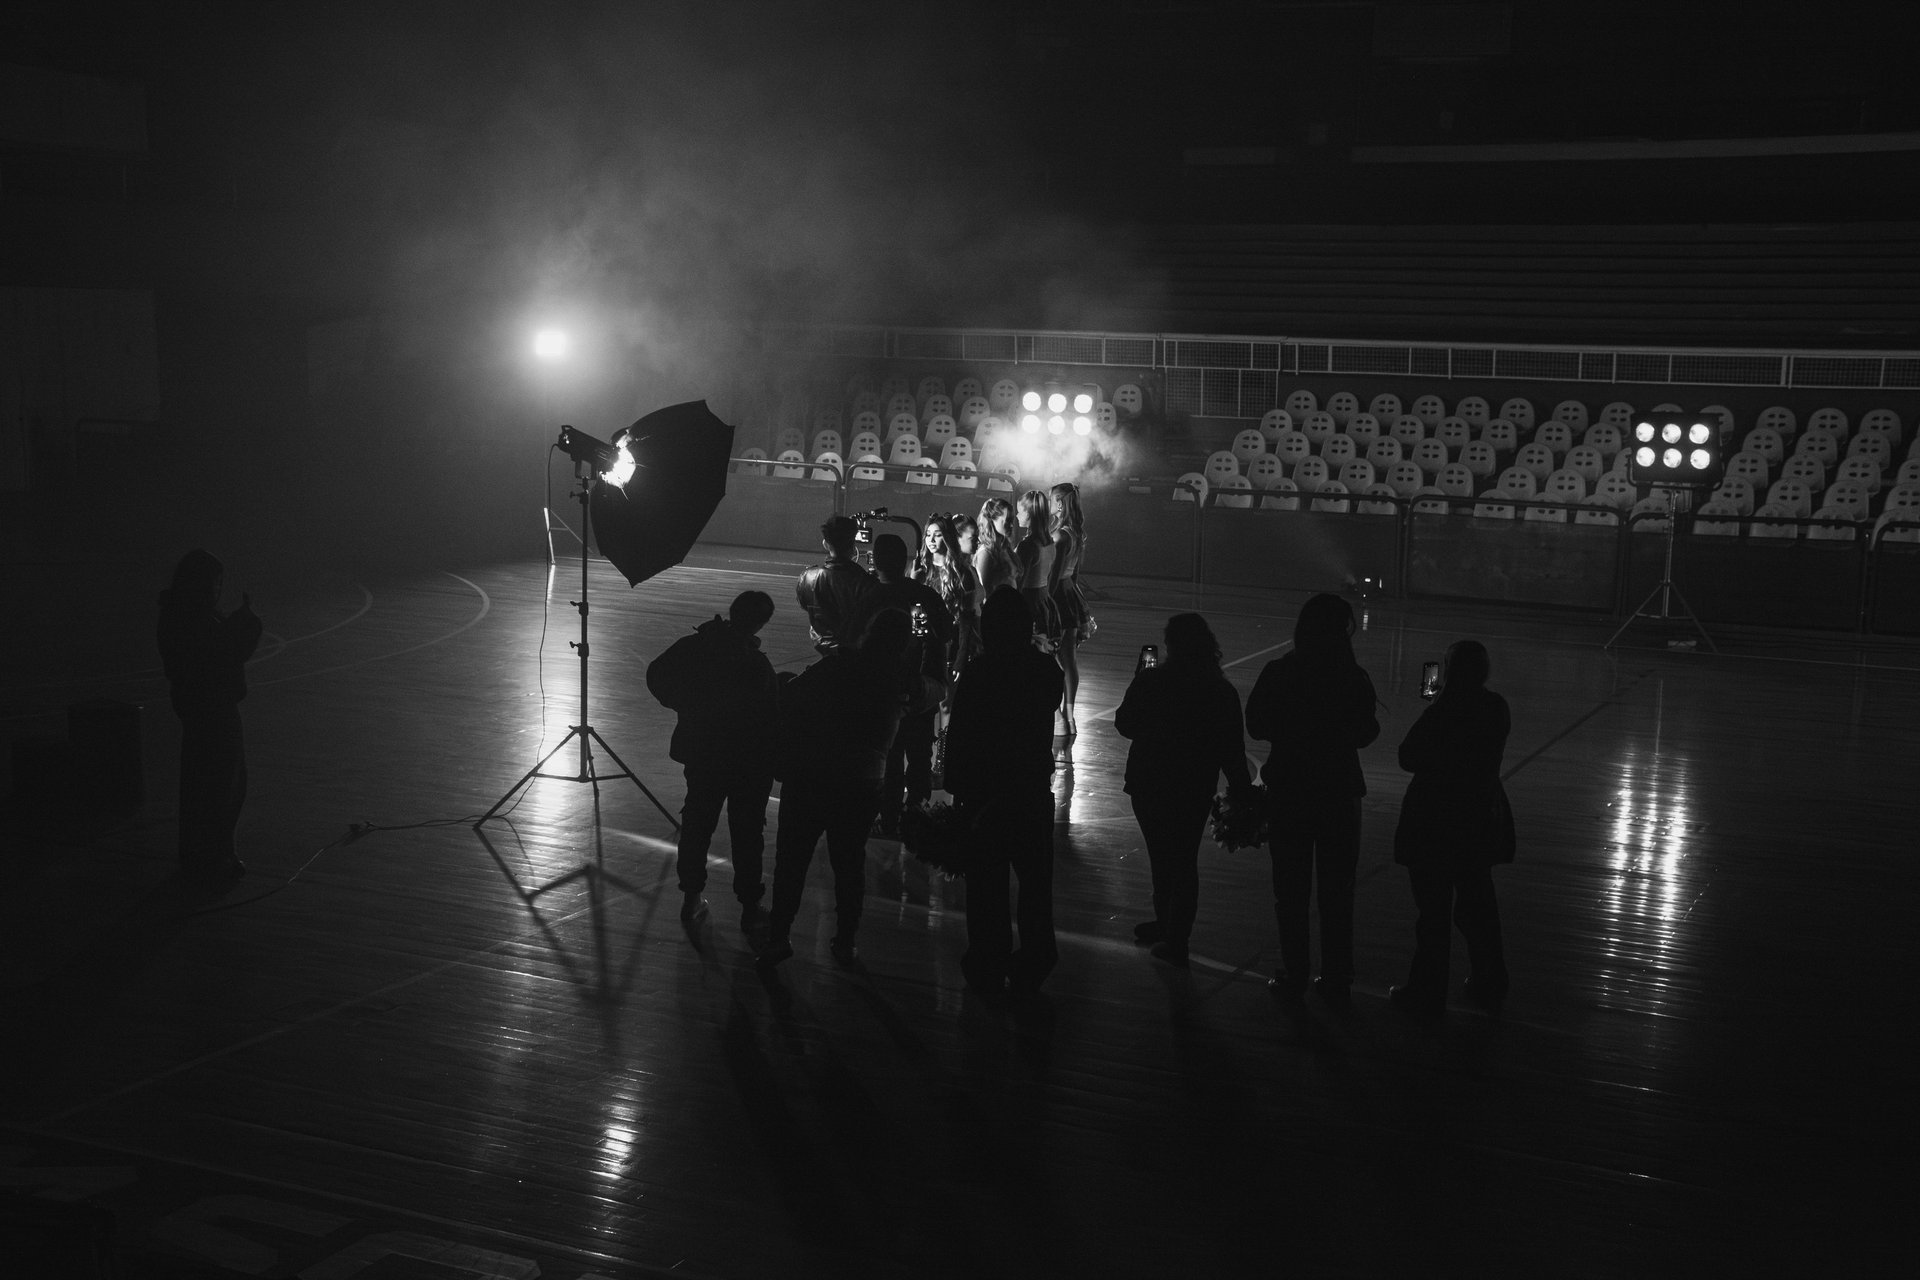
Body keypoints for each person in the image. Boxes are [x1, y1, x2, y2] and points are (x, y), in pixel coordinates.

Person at [761, 608, 942, 967]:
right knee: (849, 864)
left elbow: (791, 697)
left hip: (810, 773)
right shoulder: (899, 682)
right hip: (860, 781)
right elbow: (937, 690)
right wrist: (931, 647)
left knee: (791, 862)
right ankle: (845, 940)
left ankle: (777, 936)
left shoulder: (833, 666)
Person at [1244, 593, 1381, 1009]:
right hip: (1339, 792)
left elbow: (1255, 725)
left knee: (1291, 890)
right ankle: (1337, 976)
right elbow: (1365, 733)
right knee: (1338, 892)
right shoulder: (1352, 677)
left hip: (1290, 790)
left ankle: (1295, 972)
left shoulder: (1280, 671)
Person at [944, 586, 1066, 997]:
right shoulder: (1046, 671)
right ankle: (1037, 957)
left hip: (986, 794)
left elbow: (960, 734)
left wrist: (956, 785)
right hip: (1030, 790)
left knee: (986, 886)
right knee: (1035, 885)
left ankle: (987, 958)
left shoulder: (981, 672)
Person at [1114, 613, 1253, 966]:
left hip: (1149, 781)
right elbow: (1233, 752)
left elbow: (1125, 724)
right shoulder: (1221, 691)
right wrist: (1242, 794)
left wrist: (1139, 682)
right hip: (1193, 785)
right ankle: (1174, 930)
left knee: (1162, 858)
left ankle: (1171, 931)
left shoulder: (1153, 681)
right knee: (1182, 859)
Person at [1389, 640, 1514, 1015]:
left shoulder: (1444, 711)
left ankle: (1428, 989)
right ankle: (1489, 979)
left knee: (1433, 911)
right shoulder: (1496, 708)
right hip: (1477, 820)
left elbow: (1408, 756)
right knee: (1478, 906)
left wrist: (1439, 704)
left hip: (1435, 821)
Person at [645, 590, 780, 929]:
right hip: (747, 762)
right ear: (761, 623)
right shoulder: (755, 664)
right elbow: (768, 716)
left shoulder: (697, 645)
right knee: (747, 833)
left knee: (697, 825)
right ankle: (751, 907)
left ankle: (690, 898)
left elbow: (656, 674)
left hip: (704, 751)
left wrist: (684, 705)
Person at [156, 548, 263, 883]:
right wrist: (246, 626)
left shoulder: (183, 614)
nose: (217, 590)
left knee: (213, 785)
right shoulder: (191, 619)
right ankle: (212, 858)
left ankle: (208, 855)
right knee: (219, 787)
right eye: (214, 583)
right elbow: (220, 656)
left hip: (206, 708)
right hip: (211, 710)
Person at [869, 534, 952, 840]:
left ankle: (889, 819)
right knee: (919, 753)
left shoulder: (871, 595)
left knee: (890, 756)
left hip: (886, 688)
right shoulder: (925, 594)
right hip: (922, 686)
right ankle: (915, 814)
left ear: (876, 561)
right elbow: (945, 632)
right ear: (906, 561)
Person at [795, 514, 881, 655]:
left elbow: (805, 604)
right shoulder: (865, 582)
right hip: (855, 652)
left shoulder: (807, 577)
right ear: (853, 545)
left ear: (825, 543)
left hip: (823, 648)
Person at [1048, 482, 1090, 739]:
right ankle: (1069, 714)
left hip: (1058, 596)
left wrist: (1046, 601)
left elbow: (1054, 575)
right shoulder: (1075, 532)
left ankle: (1061, 716)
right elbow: (1074, 575)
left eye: (1052, 499)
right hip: (1070, 594)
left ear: (1061, 503)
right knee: (1068, 660)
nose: (1049, 503)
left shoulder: (1061, 535)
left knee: (1053, 657)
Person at [1013, 489, 1060, 644]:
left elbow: (1019, 581)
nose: (1016, 516)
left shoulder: (1027, 546)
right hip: (1044, 599)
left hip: (1029, 601)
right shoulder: (1049, 542)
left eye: (1020, 511)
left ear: (1030, 514)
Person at [973, 497, 1020, 599]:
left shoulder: (1005, 548)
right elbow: (986, 592)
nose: (1011, 525)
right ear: (991, 521)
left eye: (1011, 520)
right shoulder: (985, 553)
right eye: (1007, 521)